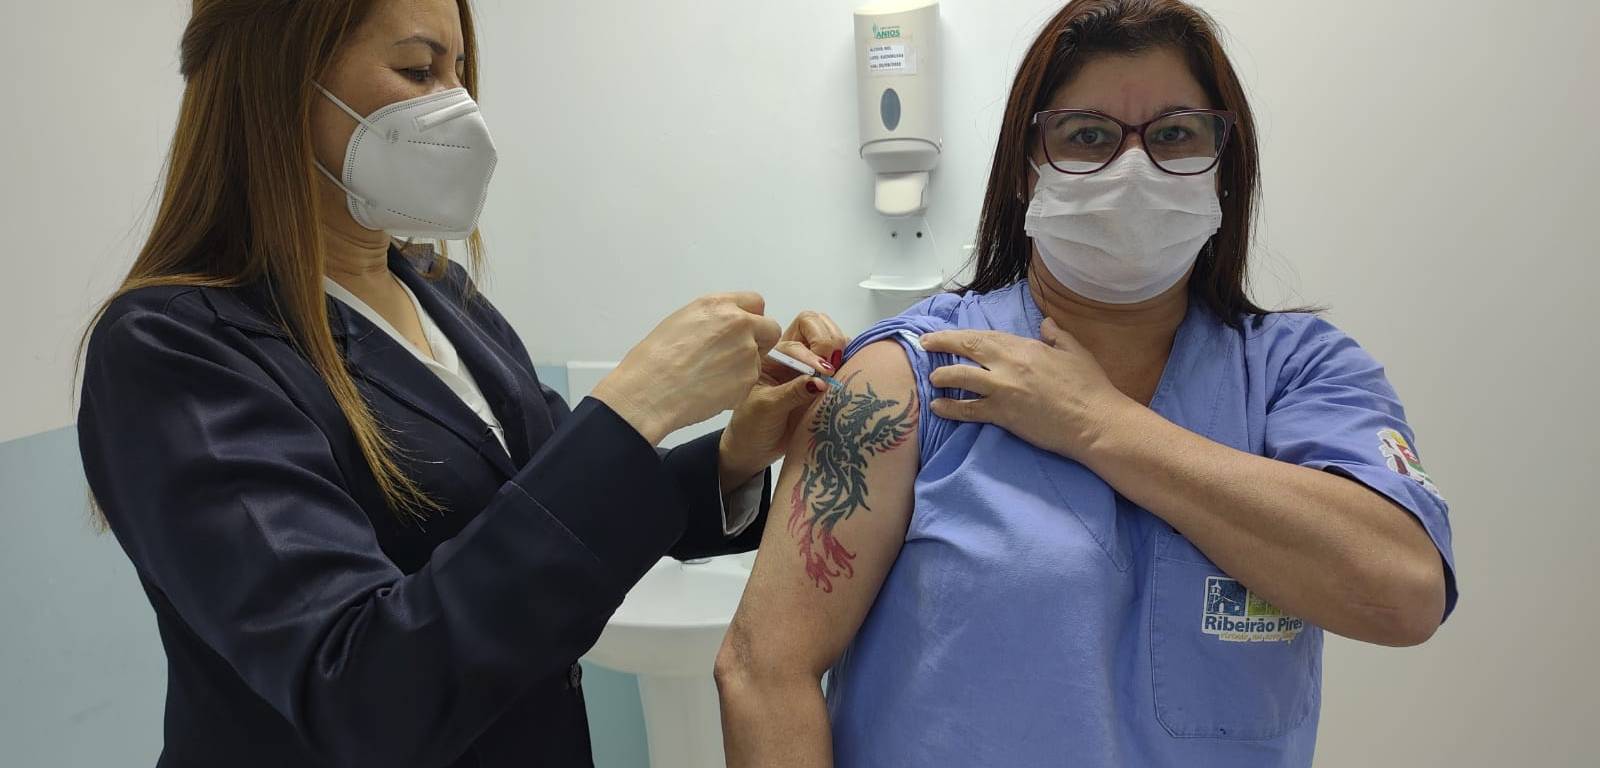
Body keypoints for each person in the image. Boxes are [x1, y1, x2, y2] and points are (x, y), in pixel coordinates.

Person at [74, 1, 847, 765]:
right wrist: (636, 402)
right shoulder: (172, 346)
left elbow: (556, 497)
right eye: (419, 70)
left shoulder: (441, 292)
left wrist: (735, 456)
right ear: (278, 81)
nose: (458, 108)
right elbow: (361, 690)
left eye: (460, 71)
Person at [715, 1, 1458, 766]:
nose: (1132, 169)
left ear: (1223, 164)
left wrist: (1101, 425)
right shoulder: (908, 376)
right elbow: (762, 670)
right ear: (1025, 168)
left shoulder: (1299, 373)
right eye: (1088, 136)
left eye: (1175, 134)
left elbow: (1404, 592)